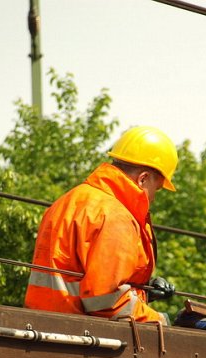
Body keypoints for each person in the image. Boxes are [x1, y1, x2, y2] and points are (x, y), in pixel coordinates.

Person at [24, 125, 177, 323]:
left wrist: (144, 290)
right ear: (143, 179)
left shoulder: (69, 200)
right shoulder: (115, 216)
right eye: (156, 189)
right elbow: (104, 300)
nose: (154, 198)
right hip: (78, 336)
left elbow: (79, 278)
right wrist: (162, 320)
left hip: (37, 325)